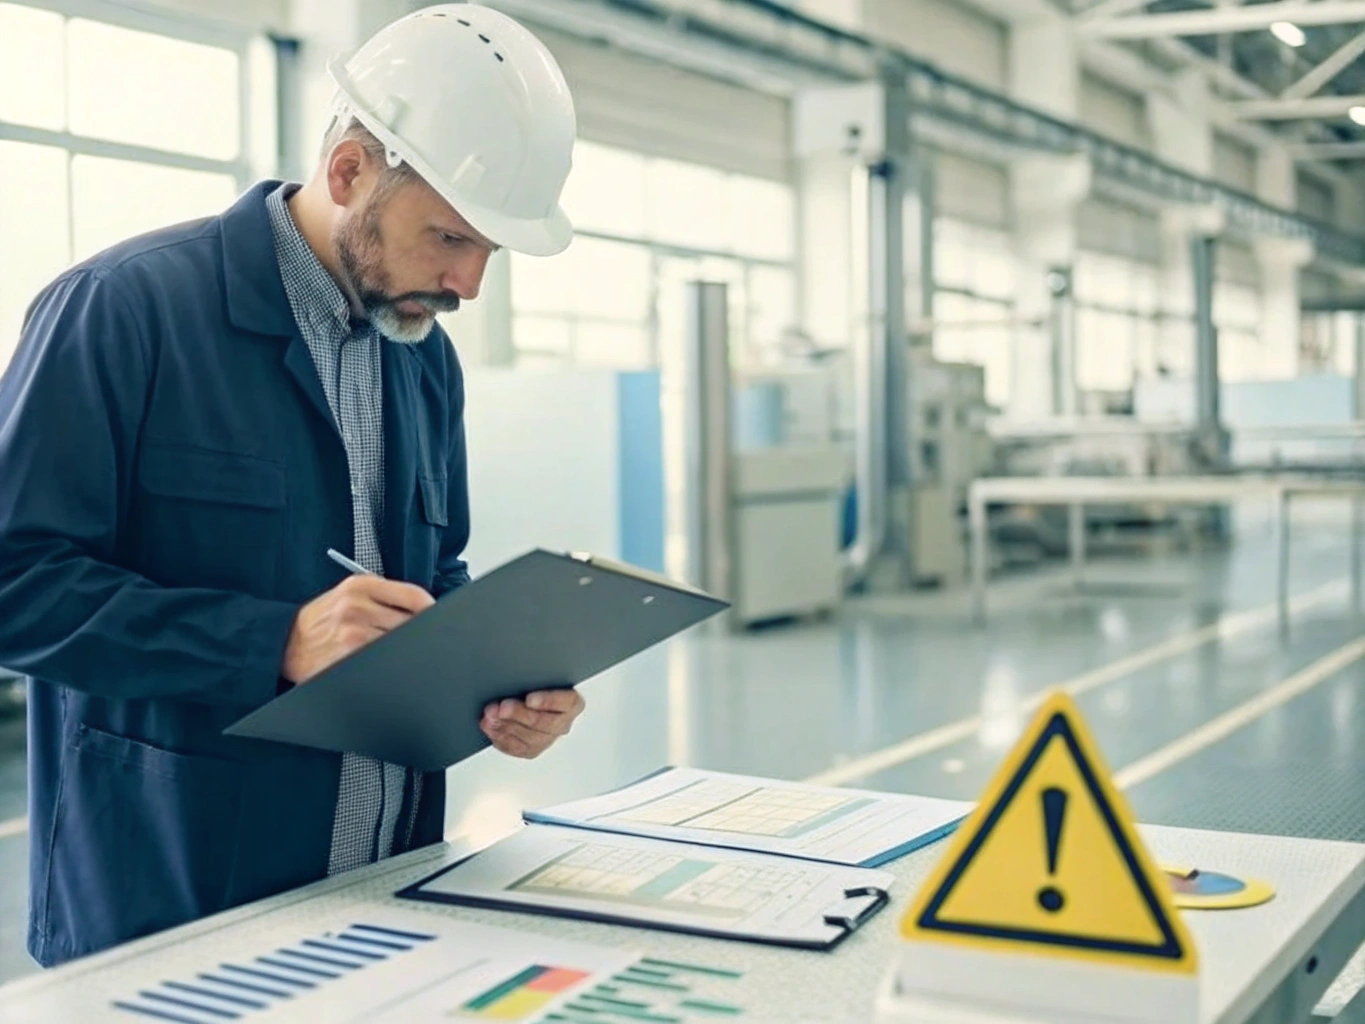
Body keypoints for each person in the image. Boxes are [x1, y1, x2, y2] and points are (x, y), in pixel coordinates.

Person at [0, 4, 584, 968]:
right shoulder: (125, 313)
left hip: (385, 882)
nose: (468, 284)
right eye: (448, 237)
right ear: (350, 171)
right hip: (175, 895)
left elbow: (434, 574)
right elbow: (15, 582)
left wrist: (498, 679)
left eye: (488, 251)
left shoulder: (422, 362)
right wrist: (271, 640)